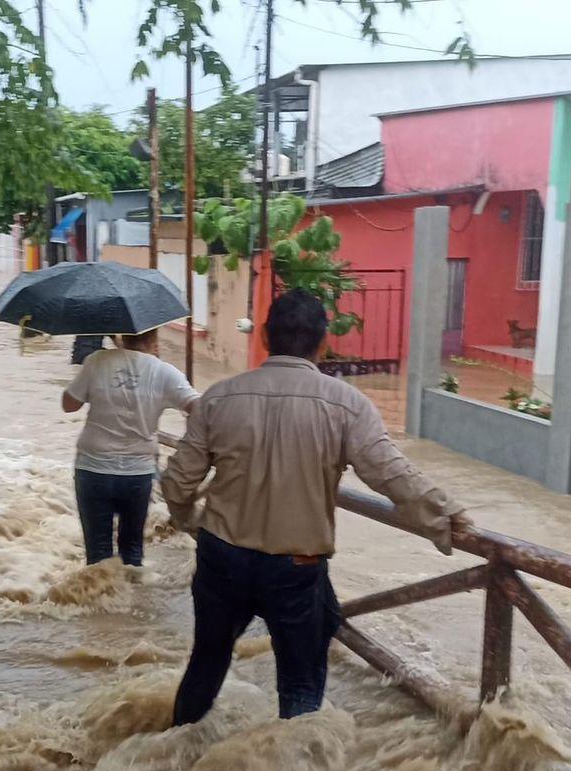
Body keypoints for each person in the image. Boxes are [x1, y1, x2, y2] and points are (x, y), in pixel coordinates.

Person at [161, 289, 470, 724]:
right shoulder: (347, 405)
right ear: (323, 342)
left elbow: (177, 482)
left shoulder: (219, 398)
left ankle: (173, 759)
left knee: (207, 662)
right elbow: (389, 472)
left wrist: (191, 522)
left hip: (222, 557)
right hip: (296, 566)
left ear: (265, 336)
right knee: (301, 683)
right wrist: (446, 514)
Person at [62, 329, 197, 567]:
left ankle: (99, 601)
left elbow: (69, 405)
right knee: (132, 552)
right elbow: (199, 407)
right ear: (154, 340)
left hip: (94, 469)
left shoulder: (97, 361)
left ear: (122, 337)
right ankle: (133, 600)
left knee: (97, 554)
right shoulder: (164, 372)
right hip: (138, 473)